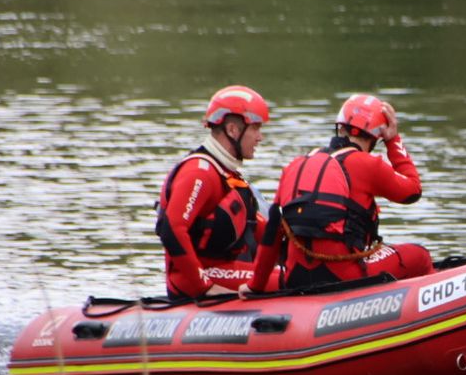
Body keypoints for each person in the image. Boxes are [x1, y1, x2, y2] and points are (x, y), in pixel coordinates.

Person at [248, 93, 433, 291]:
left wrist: (254, 287)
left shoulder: (295, 165)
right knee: (419, 255)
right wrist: (393, 140)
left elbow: (272, 233)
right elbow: (412, 190)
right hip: (344, 276)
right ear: (374, 137)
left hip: (296, 277)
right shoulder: (368, 164)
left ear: (340, 127)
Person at [154, 85, 270, 298]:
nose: (260, 137)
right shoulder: (200, 172)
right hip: (198, 279)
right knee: (283, 278)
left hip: (225, 269)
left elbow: (259, 228)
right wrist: (204, 287)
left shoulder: (225, 172)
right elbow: (171, 228)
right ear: (233, 129)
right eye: (255, 128)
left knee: (288, 274)